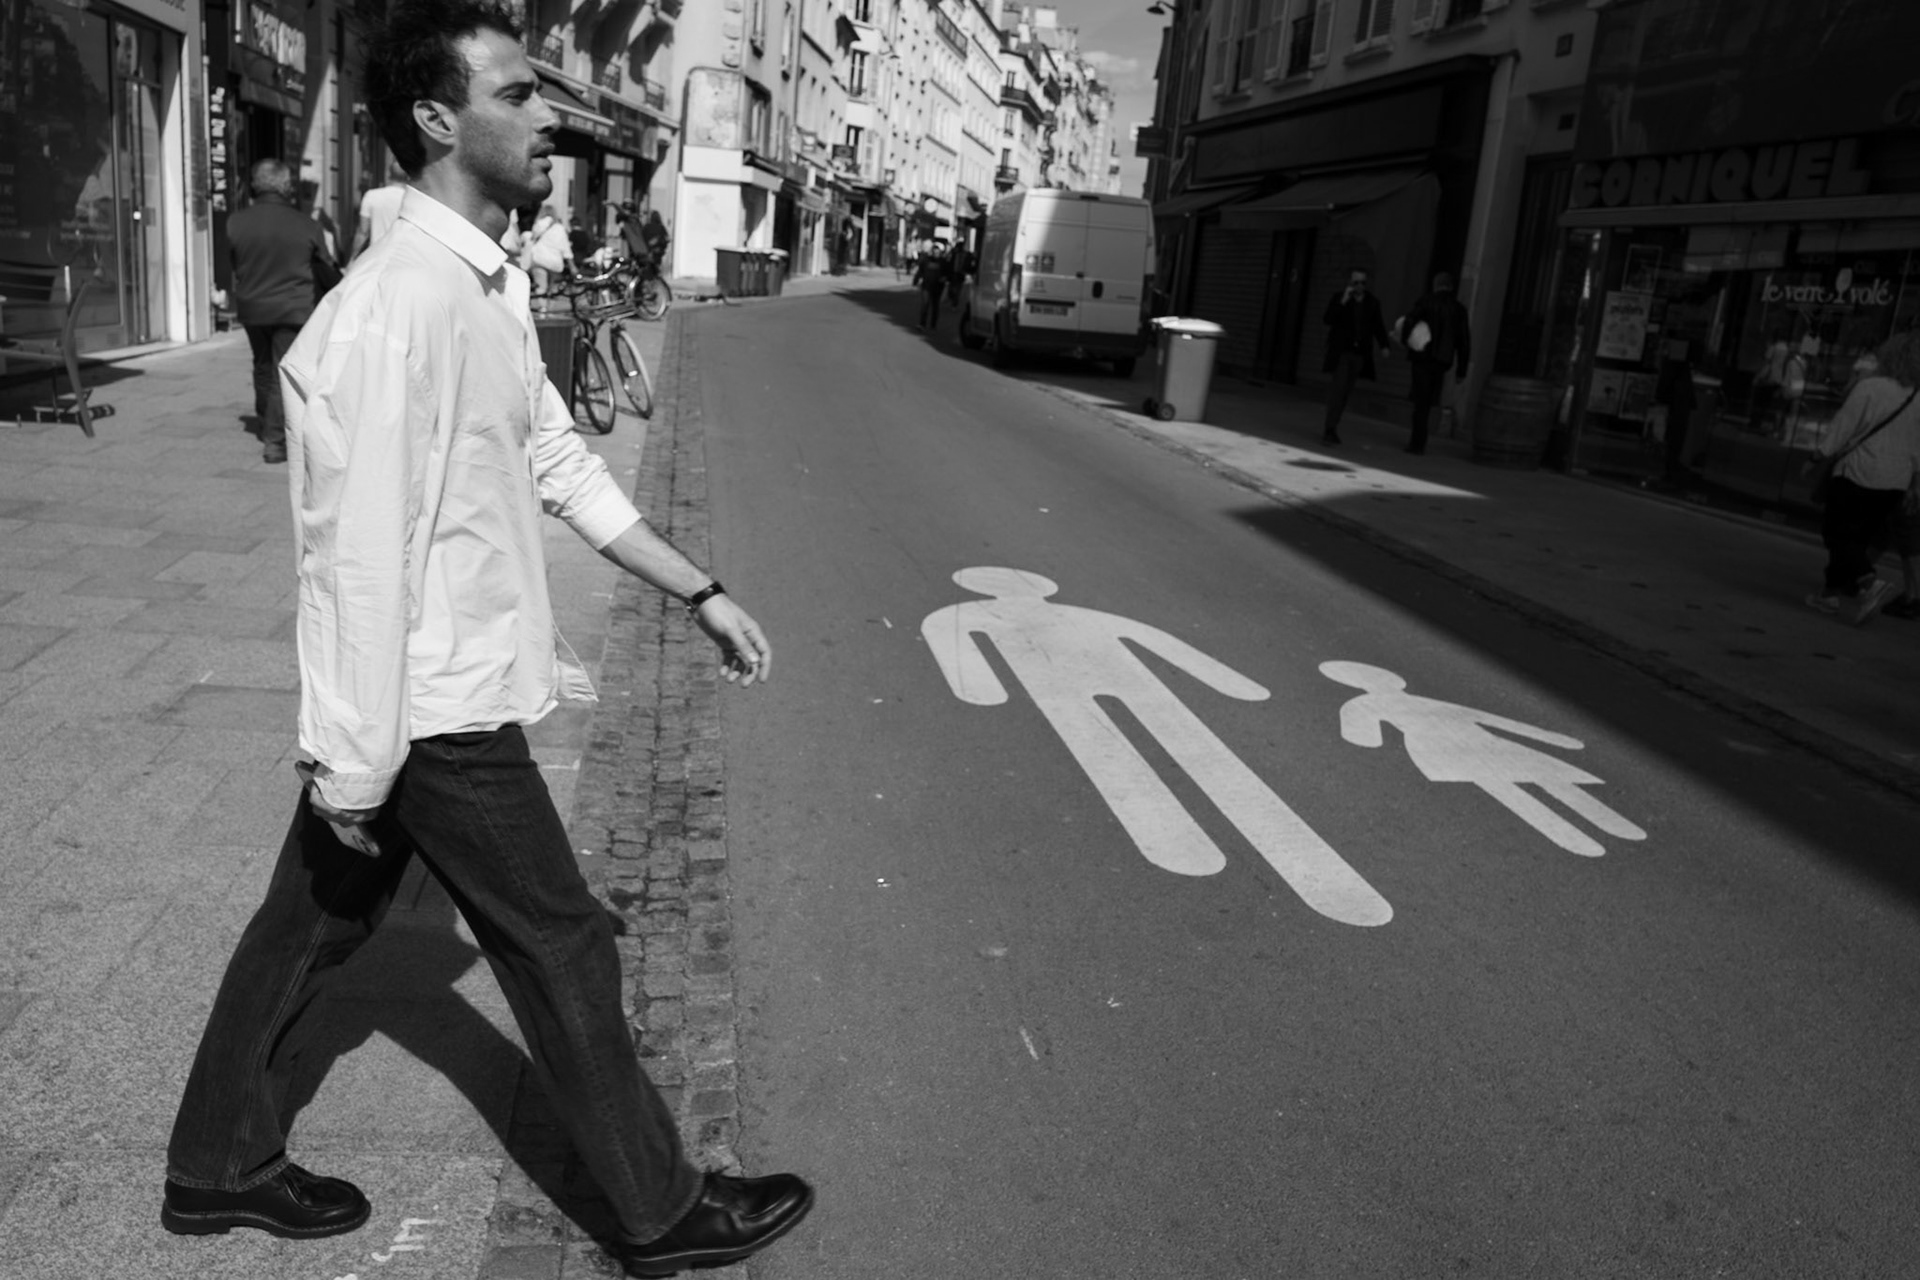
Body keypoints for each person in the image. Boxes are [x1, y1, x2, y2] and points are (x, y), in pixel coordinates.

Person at [156, 3, 814, 1276]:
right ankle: (659, 1206)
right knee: (561, 935)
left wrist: (699, 585)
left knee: (309, 925)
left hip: (433, 689)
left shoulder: (484, 284)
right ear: (438, 119)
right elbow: (352, 557)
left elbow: (558, 456)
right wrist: (352, 761)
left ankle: (213, 1163)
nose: (547, 114)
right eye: (517, 94)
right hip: (433, 704)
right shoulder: (397, 306)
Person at [226, 157, 340, 465]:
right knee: (281, 372)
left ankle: (266, 425)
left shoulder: (236, 221)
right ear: (286, 186)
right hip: (293, 307)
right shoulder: (306, 224)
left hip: (252, 306)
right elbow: (327, 267)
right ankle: (275, 442)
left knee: (262, 366)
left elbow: (234, 265)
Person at [1806, 330, 1920, 624]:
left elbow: (1844, 425)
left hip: (1859, 472)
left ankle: (1869, 582)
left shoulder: (1871, 387)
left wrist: (1818, 454)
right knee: (1857, 537)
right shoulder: (1918, 396)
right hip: (1895, 480)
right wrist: (1914, 482)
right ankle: (1829, 594)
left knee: (1837, 532)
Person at [1396, 271, 1471, 455]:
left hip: (1422, 357)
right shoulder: (1458, 309)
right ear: (1451, 287)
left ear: (1436, 284)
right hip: (1442, 360)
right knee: (1429, 400)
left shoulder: (1426, 302)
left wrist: (1406, 341)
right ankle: (1421, 439)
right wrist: (1461, 369)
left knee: (1420, 401)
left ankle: (1417, 442)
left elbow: (1410, 321)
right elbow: (1464, 341)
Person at [1320, 267, 1392, 445]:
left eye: (1362, 283)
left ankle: (1334, 425)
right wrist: (1343, 300)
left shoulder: (1372, 303)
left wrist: (1384, 345)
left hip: (1359, 353)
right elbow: (1328, 319)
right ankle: (1330, 428)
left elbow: (1378, 326)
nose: (1359, 286)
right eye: (1356, 282)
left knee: (1346, 391)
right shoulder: (1340, 298)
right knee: (1338, 389)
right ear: (1350, 283)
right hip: (1342, 352)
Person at [348, 162, 411, 259]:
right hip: (401, 258)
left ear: (388, 174)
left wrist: (353, 258)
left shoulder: (371, 196)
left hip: (376, 257)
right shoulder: (410, 200)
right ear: (408, 177)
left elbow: (362, 232)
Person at [523, 202, 572, 302]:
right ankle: (550, 309)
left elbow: (533, 238)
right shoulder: (559, 228)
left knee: (541, 287)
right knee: (553, 288)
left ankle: (543, 309)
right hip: (554, 262)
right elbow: (565, 248)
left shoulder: (538, 224)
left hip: (539, 259)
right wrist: (572, 264)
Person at [913, 241, 949, 330]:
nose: (935, 254)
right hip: (926, 286)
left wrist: (945, 278)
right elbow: (920, 271)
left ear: (940, 253)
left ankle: (933, 324)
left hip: (937, 287)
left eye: (937, 252)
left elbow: (948, 273)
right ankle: (922, 324)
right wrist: (916, 280)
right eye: (934, 252)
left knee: (935, 306)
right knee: (925, 304)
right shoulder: (926, 260)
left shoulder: (943, 262)